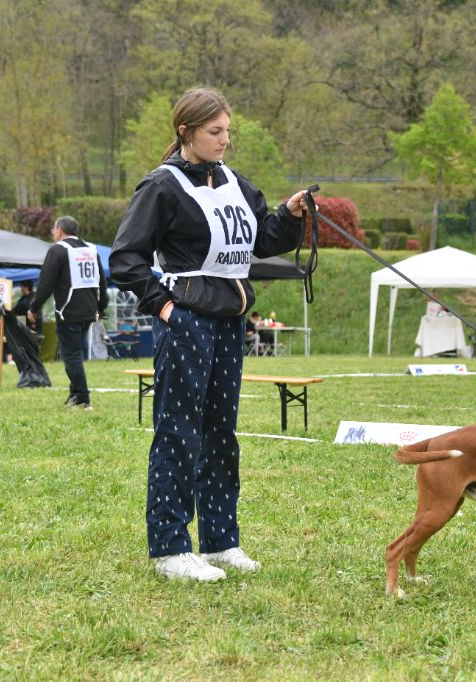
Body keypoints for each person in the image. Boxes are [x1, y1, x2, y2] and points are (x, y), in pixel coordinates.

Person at [110, 86, 308, 582]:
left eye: (227, 132)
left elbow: (261, 237)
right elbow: (125, 259)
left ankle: (220, 542)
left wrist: (290, 216)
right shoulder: (161, 186)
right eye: (215, 132)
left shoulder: (235, 182)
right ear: (187, 132)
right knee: (179, 432)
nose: (224, 141)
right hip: (187, 321)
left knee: (221, 432)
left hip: (230, 321)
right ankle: (170, 548)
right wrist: (165, 307)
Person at [27, 216, 108, 409]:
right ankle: (74, 394)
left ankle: (82, 398)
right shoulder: (91, 250)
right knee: (76, 354)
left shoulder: (58, 250)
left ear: (59, 230)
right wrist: (101, 306)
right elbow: (101, 281)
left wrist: (33, 307)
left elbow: (46, 284)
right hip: (89, 310)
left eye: (54, 230)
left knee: (71, 356)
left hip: (68, 311)